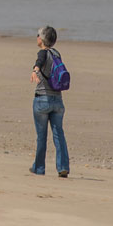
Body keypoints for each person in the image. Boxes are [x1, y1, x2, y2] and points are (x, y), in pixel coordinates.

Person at [29, 25, 70, 177]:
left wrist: (35, 70)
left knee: (42, 136)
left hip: (42, 100)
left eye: (38, 35)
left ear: (42, 39)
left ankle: (39, 168)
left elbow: (40, 60)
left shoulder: (43, 53)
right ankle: (63, 167)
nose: (37, 37)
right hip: (58, 101)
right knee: (59, 134)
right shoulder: (57, 54)